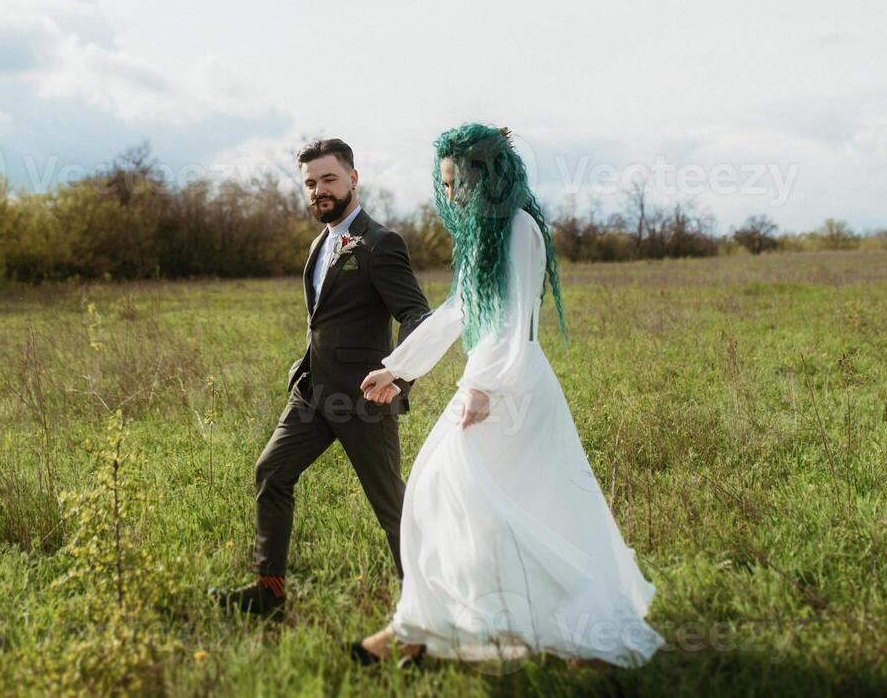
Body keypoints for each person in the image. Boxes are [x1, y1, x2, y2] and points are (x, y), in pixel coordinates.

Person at [349, 123, 663, 670]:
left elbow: (514, 319)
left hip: (508, 387)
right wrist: (396, 368)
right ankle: (425, 629)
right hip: (490, 382)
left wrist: (481, 388)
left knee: (464, 497)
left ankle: (571, 630)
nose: (449, 195)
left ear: (487, 176)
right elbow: (457, 312)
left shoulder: (516, 228)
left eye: (457, 183)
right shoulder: (483, 235)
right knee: (459, 503)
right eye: (443, 185)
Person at [209, 137, 431, 617]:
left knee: (392, 508)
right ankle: (268, 592)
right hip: (312, 394)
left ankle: (426, 608)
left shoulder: (379, 243)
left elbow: (416, 313)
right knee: (272, 472)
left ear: (353, 178)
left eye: (328, 179)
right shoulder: (319, 244)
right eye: (310, 184)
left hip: (363, 401)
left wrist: (399, 374)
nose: (318, 191)